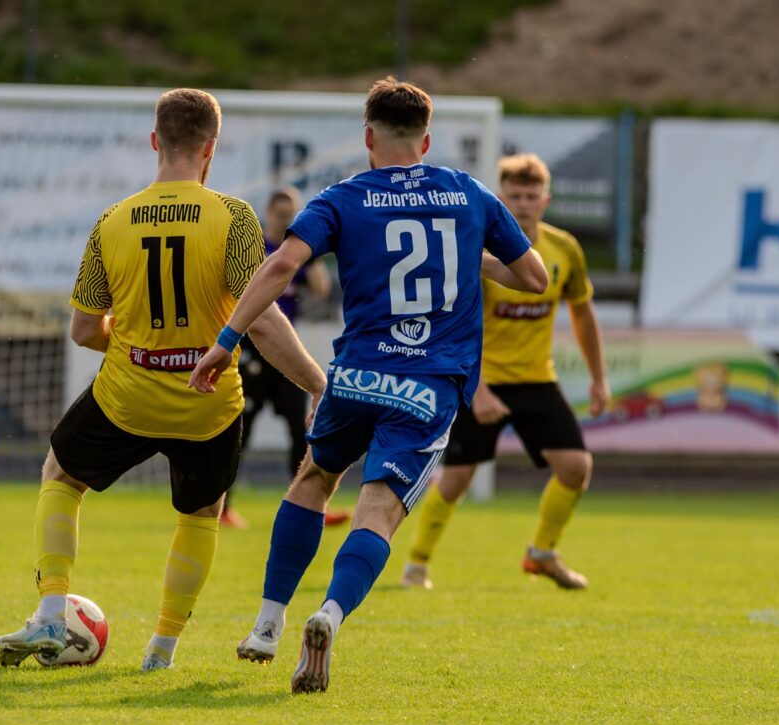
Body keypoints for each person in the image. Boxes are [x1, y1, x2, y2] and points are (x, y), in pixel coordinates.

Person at [189, 78, 548, 693]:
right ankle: (329, 614)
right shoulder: (469, 193)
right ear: (426, 141)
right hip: (428, 385)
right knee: (379, 509)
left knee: (313, 479)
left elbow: (281, 265)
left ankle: (267, 624)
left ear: (368, 138)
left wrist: (226, 340)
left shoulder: (343, 197)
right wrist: (468, 258)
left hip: (357, 376)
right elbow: (534, 277)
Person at [0, 88, 325, 671]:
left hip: (129, 395)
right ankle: (161, 651)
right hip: (208, 404)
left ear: (154, 142)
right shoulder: (234, 217)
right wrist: (318, 385)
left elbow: (84, 330)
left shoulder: (112, 221)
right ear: (210, 149)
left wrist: (136, 345)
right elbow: (265, 323)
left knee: (61, 474)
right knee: (202, 512)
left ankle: (50, 610)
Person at [400, 153, 610, 591]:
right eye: (515, 195)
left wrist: (598, 378)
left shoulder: (564, 249)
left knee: (576, 467)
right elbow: (455, 326)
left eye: (532, 196)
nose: (524, 203)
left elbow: (582, 312)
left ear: (545, 200)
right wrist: (478, 389)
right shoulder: (480, 255)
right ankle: (417, 564)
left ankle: (542, 553)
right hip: (483, 379)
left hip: (536, 379)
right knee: (456, 480)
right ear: (501, 198)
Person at [221, 186, 350, 529]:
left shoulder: (297, 253)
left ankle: (310, 505)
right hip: (251, 349)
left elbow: (322, 290)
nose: (286, 220)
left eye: (292, 215)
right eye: (281, 215)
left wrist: (314, 253)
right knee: (239, 429)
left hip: (283, 352)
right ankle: (221, 505)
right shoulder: (256, 250)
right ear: (268, 214)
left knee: (301, 427)